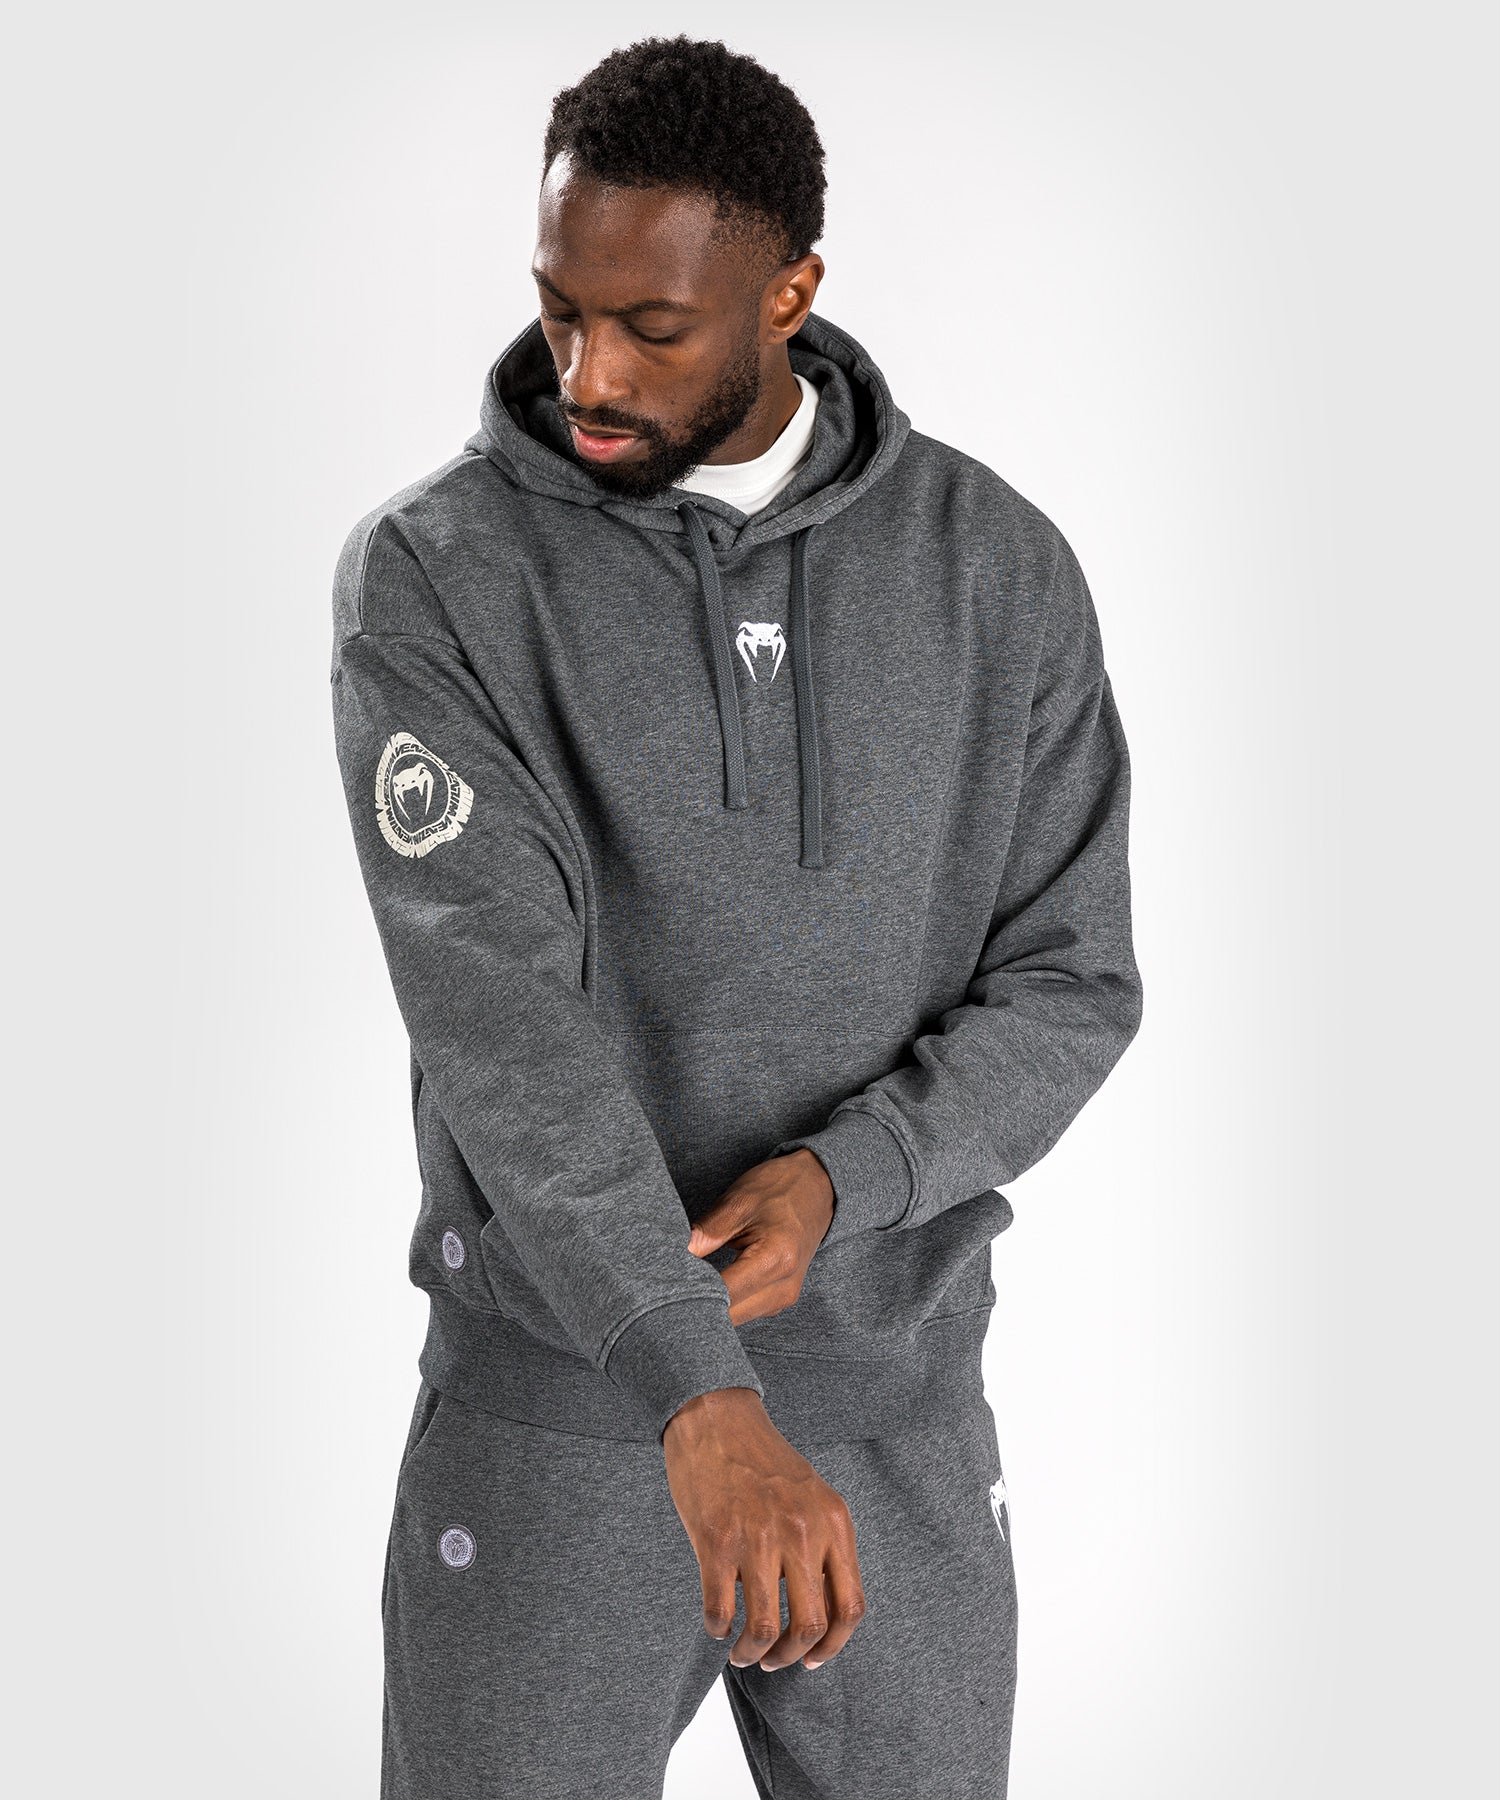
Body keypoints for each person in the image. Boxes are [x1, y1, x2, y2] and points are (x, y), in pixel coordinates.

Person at [330, 34, 1143, 1800]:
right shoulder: (441, 578)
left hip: (893, 1412)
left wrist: (856, 1177)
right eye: (559, 312)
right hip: (564, 1419)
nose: (589, 372)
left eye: (653, 327)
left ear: (790, 292)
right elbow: (503, 1032)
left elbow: (1073, 980)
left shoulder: (997, 571)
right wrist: (697, 1387)